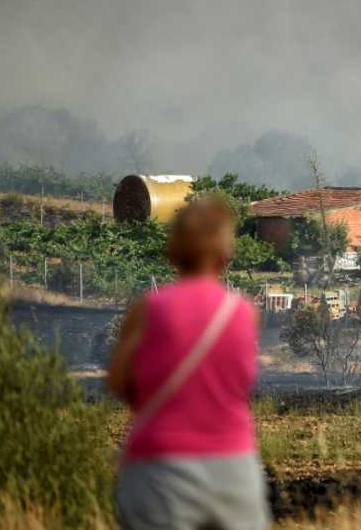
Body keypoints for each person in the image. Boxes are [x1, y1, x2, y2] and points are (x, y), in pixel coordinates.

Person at [107, 197, 269, 530]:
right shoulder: (244, 312)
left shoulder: (146, 309)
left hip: (159, 467)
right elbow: (243, 382)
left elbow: (118, 382)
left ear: (172, 252)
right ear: (226, 254)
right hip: (233, 466)